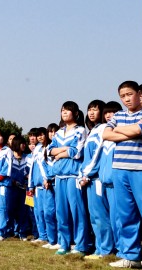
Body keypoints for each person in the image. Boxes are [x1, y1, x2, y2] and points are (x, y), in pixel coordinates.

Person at [103, 81, 142, 270]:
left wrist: (121, 130)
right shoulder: (119, 115)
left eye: (129, 94)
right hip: (119, 169)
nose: (126, 99)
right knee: (126, 215)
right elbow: (106, 135)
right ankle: (131, 256)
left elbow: (139, 130)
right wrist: (129, 132)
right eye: (122, 96)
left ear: (138, 94)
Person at [47, 101, 93, 257]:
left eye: (67, 110)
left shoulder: (81, 131)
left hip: (74, 175)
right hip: (59, 176)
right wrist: (62, 151)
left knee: (77, 211)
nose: (64, 112)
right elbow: (49, 150)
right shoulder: (59, 133)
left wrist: (59, 153)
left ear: (76, 113)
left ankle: (81, 245)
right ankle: (64, 243)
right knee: (61, 212)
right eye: (62, 110)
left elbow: (77, 151)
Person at [79, 100, 116, 260]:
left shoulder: (102, 129)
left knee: (101, 215)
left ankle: (106, 249)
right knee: (94, 215)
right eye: (89, 109)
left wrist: (86, 174)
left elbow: (97, 156)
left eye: (95, 109)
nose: (92, 112)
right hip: (89, 179)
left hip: (96, 178)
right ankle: (100, 248)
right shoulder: (93, 130)